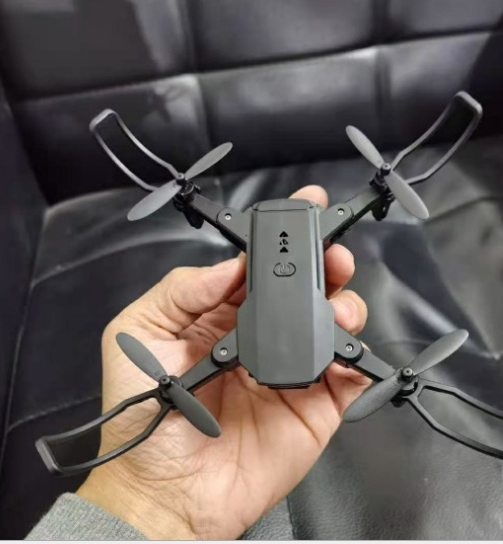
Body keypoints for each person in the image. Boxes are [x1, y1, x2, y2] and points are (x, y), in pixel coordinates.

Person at [27, 186, 370, 540]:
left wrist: (146, 497)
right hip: (267, 368)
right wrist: (143, 489)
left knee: (342, 312)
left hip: (284, 363)